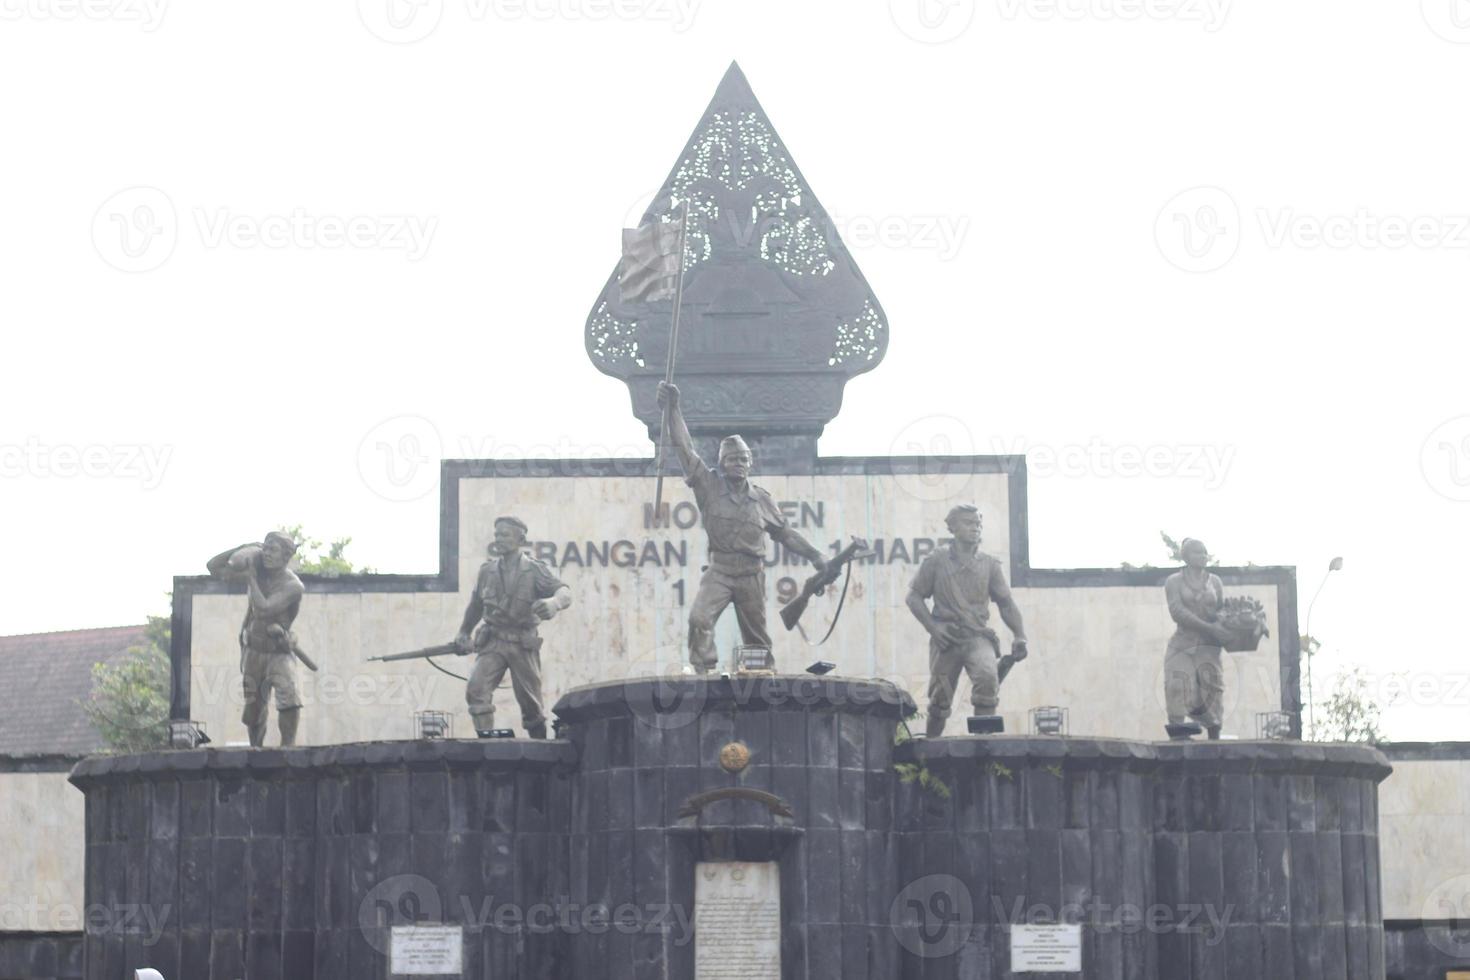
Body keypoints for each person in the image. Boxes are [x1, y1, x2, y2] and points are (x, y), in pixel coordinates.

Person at [656, 381, 828, 672]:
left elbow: (785, 534)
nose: (738, 463)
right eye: (732, 459)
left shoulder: (761, 498)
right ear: (721, 463)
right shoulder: (708, 486)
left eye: (743, 459)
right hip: (720, 572)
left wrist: (815, 556)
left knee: (757, 640)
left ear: (750, 463)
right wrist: (673, 409)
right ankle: (702, 671)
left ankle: (759, 679)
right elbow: (685, 449)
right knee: (699, 619)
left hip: (751, 574)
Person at [906, 505, 1029, 737]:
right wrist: (933, 628)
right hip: (947, 637)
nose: (975, 528)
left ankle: (982, 746)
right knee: (939, 698)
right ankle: (930, 749)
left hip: (977, 637)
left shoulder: (989, 565)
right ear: (953, 527)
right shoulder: (936, 560)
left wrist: (1019, 635)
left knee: (987, 680)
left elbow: (1006, 602)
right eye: (968, 523)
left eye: (978, 524)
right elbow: (913, 597)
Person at [456, 516, 570, 738]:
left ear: (521, 539)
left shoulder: (535, 570)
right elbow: (476, 606)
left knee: (531, 705)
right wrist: (464, 632)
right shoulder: (486, 571)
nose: (499, 539)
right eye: (497, 534)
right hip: (493, 640)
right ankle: (486, 743)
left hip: (522, 643)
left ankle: (541, 748)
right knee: (476, 690)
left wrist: (554, 603)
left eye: (505, 534)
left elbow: (565, 592)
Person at [207, 531, 306, 747]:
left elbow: (264, 609)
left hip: (278, 651)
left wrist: (250, 577)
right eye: (265, 548)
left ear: (286, 556)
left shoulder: (293, 586)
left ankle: (288, 748)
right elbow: (213, 567)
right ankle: (255, 750)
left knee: (289, 698)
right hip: (254, 650)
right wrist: (240, 547)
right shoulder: (258, 572)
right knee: (254, 708)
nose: (267, 554)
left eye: (273, 550)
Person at [1163, 537, 1229, 740]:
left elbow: (1222, 609)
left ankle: (1214, 734)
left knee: (1212, 689)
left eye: (1204, 552)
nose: (1202, 556)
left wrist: (1225, 622)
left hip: (1209, 647)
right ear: (1186, 556)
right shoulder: (1174, 581)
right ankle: (1178, 733)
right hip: (1183, 642)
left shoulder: (1215, 581)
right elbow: (1177, 611)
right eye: (1197, 552)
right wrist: (1208, 627)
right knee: (1177, 684)